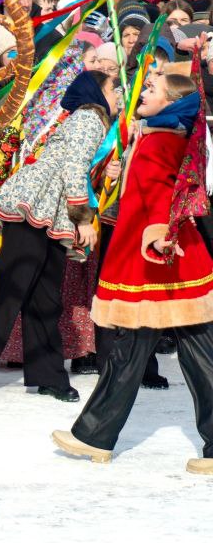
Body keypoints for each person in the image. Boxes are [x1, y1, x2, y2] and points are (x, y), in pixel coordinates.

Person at [55, 71, 213, 469]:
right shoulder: (155, 136)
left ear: (173, 103)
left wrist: (159, 233)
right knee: (134, 351)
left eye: (152, 89)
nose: (143, 91)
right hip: (152, 259)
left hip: (161, 258)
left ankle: (94, 435)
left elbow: (161, 192)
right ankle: (94, 436)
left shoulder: (160, 141)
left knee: (193, 354)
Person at [0, 71, 119, 402]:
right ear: (96, 93)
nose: (118, 94)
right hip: (36, 206)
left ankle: (48, 374)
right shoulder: (90, 117)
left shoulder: (88, 119)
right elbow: (74, 168)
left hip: (50, 211)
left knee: (46, 295)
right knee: (8, 287)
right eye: (112, 88)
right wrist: (84, 219)